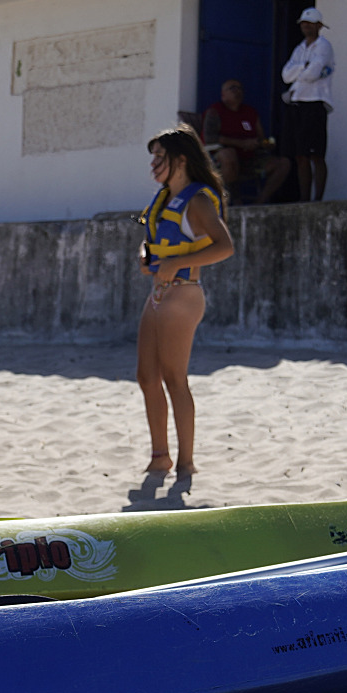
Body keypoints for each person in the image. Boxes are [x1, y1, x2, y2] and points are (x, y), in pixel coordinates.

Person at [134, 126, 234, 479]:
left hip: (184, 294)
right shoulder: (163, 201)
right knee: (147, 377)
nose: (153, 164)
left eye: (160, 157)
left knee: (175, 378)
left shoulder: (197, 200)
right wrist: (147, 257)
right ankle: (160, 456)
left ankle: (187, 462)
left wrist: (175, 264)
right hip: (160, 294)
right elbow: (155, 243)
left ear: (180, 160)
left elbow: (225, 246)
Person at [279, 7, 334, 201]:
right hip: (297, 103)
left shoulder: (324, 46)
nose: (305, 26)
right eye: (303, 23)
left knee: (316, 154)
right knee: (300, 155)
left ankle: (317, 199)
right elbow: (286, 75)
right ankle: (304, 200)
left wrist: (299, 72)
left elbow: (314, 74)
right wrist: (304, 67)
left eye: (309, 23)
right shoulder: (300, 48)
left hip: (315, 103)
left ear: (319, 26)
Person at [206, 78, 281, 203]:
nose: (237, 91)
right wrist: (241, 143)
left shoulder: (250, 112)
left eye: (239, 88)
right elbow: (210, 138)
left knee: (283, 164)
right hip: (222, 161)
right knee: (229, 154)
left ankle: (260, 201)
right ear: (223, 95)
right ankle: (234, 199)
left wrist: (264, 144)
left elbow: (261, 137)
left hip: (250, 159)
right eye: (232, 88)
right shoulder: (214, 111)